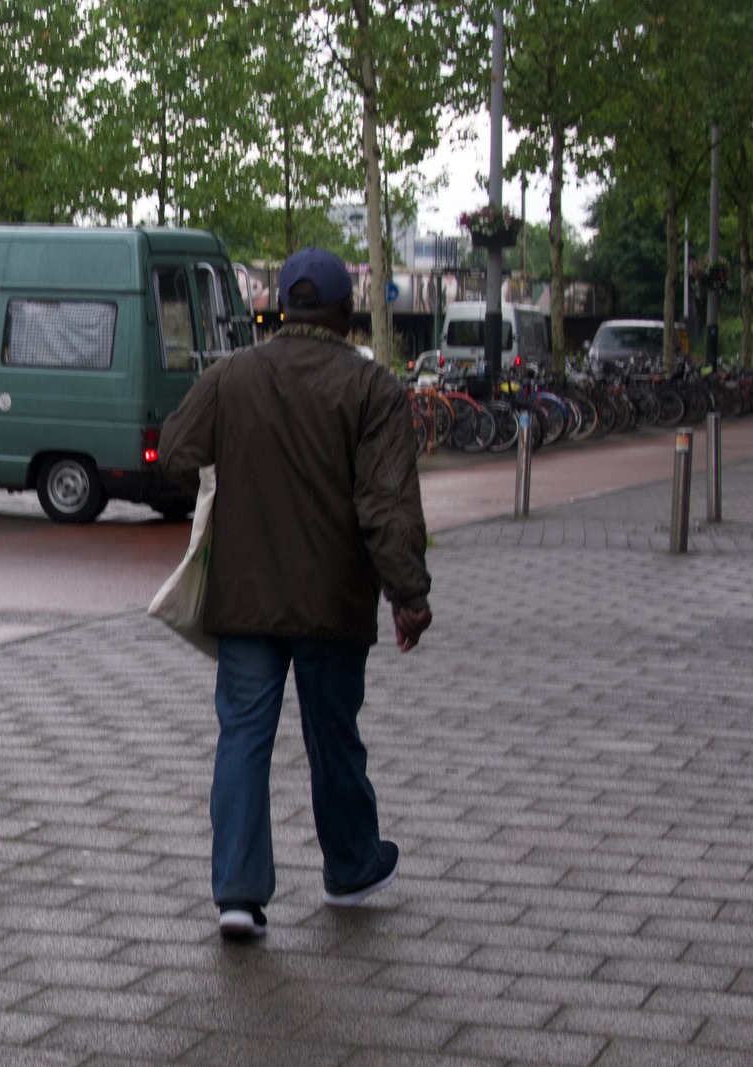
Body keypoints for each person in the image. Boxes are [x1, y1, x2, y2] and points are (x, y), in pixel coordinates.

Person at [158, 246, 432, 940]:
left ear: (280, 308)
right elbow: (386, 502)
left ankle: (238, 894)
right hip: (333, 599)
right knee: (333, 736)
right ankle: (350, 867)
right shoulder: (371, 389)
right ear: (345, 312)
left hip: (245, 596)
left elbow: (176, 447)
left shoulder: (232, 375)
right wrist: (408, 592)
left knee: (243, 736)